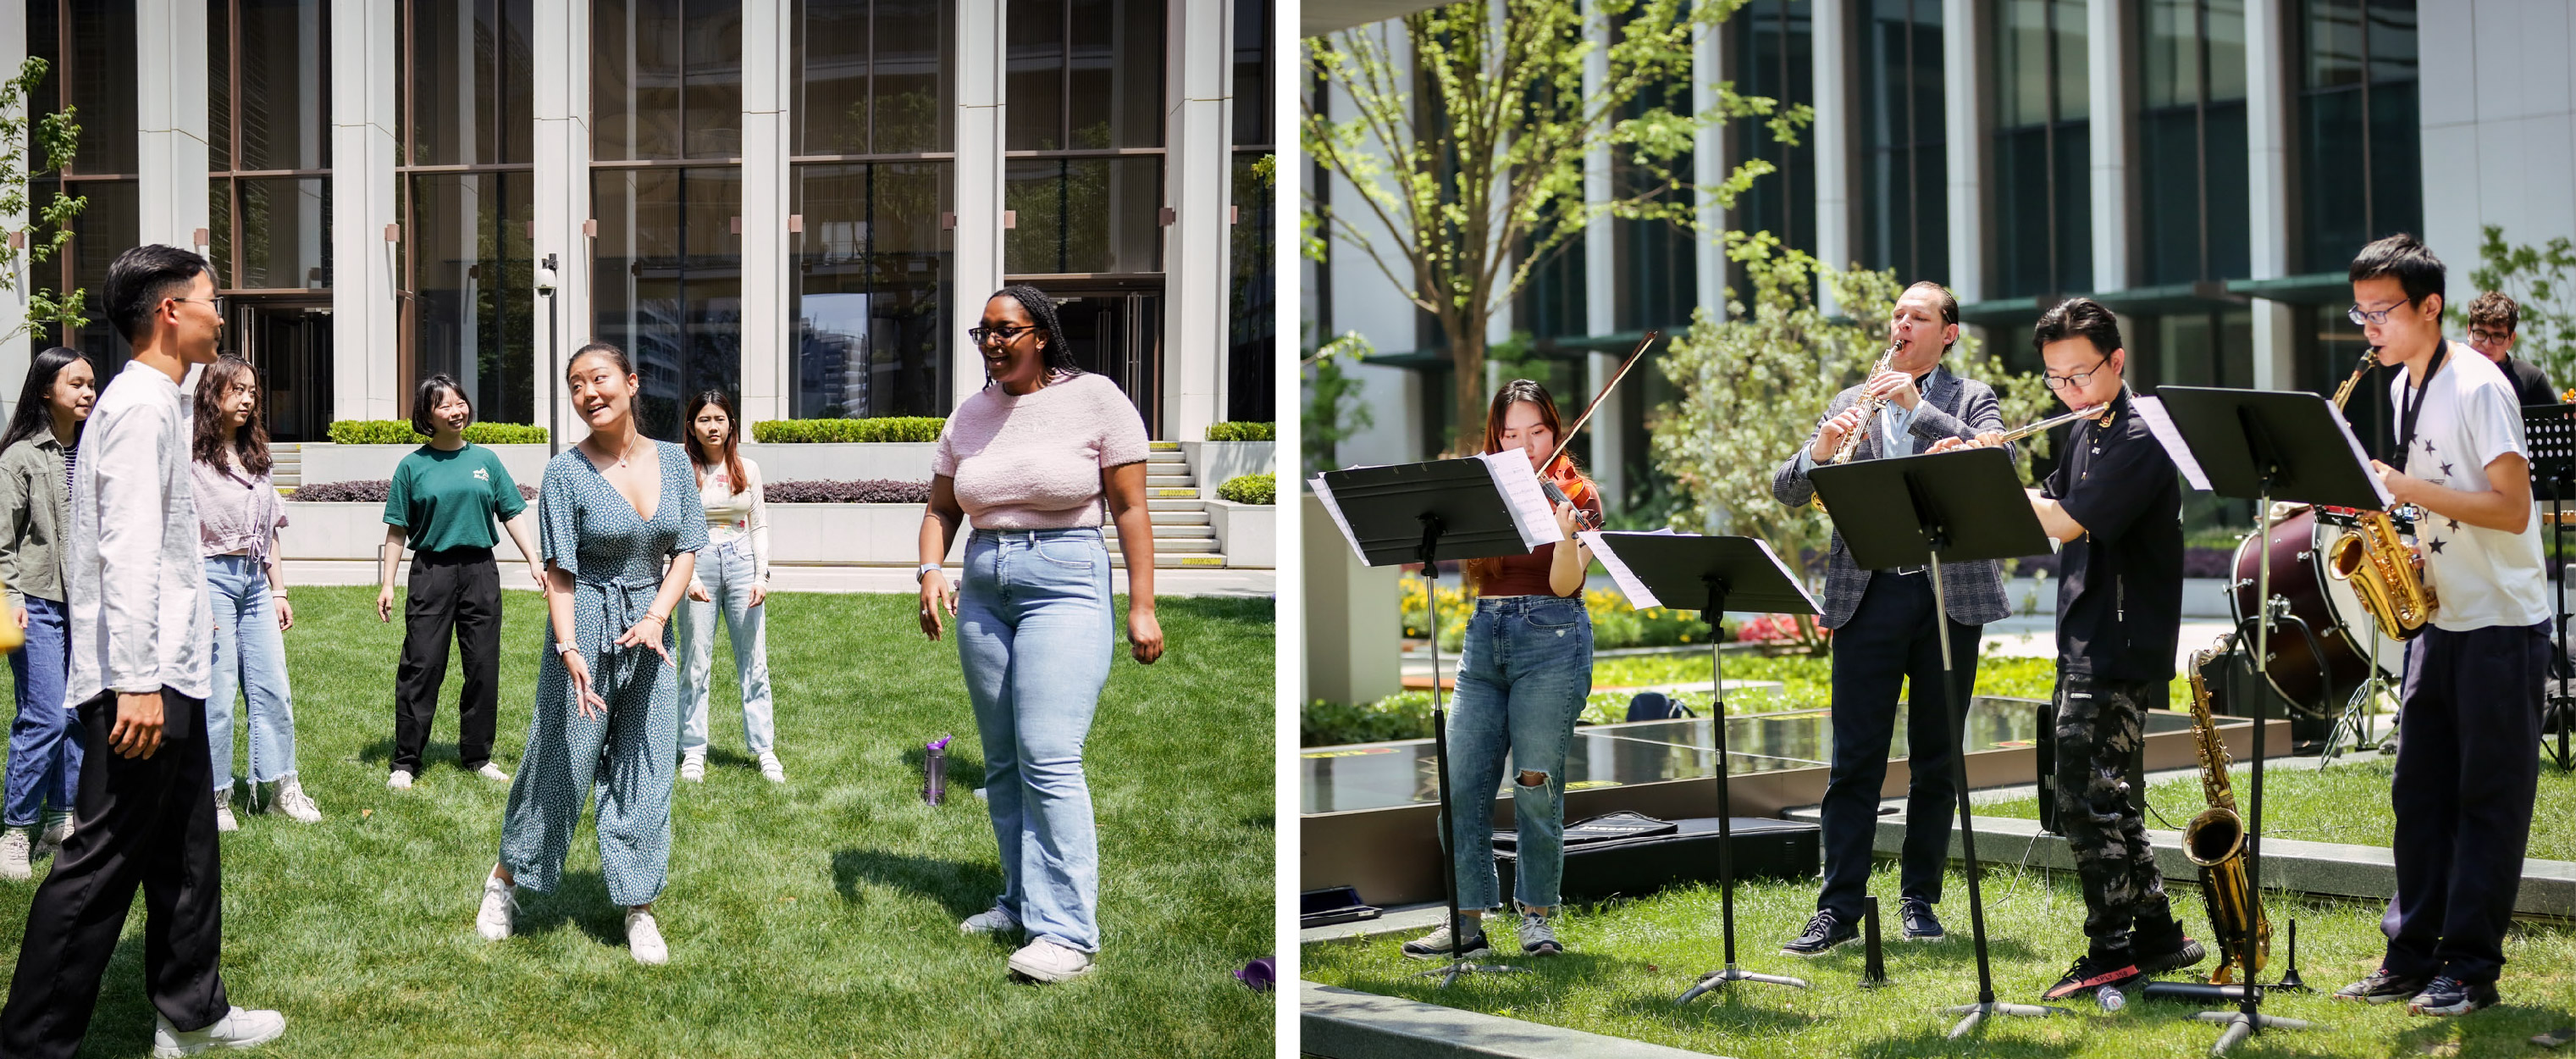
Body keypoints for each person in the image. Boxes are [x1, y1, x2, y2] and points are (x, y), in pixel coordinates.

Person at [1, 245, 285, 1056]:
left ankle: (192, 1012)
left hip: (174, 672)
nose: (220, 314)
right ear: (170, 312)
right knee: (99, 869)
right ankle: (29, 1043)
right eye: (210, 299)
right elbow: (126, 551)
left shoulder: (161, 399)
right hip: (142, 681)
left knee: (188, 851)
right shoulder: (136, 408)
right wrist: (134, 682)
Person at [918, 285, 1164, 984]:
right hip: (986, 584)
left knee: (1049, 754)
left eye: (1005, 330)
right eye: (983, 333)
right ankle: (1022, 900)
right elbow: (940, 508)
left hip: (1066, 576)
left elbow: (1131, 508)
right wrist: (931, 568)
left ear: (1042, 334)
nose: (992, 343)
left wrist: (1142, 605)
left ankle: (1067, 934)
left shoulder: (1096, 399)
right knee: (1001, 761)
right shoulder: (970, 416)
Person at [2330, 236, 2550, 1017]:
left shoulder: (2479, 385)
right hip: (2442, 620)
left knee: (2487, 801)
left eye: (2382, 311)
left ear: (2431, 307)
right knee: (2418, 794)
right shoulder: (2399, 386)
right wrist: (2413, 553)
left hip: (2501, 625)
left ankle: (2470, 970)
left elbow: (2512, 508)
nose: (2368, 329)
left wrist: (2405, 484)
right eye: (2360, 312)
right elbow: (2435, 503)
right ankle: (2409, 955)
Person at [1766, 281, 2009, 956]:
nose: (1902, 324)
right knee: (1854, 762)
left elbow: (1998, 458)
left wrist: (1922, 411)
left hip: (1946, 596)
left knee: (1936, 760)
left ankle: (1918, 900)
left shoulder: (1970, 398)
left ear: (1948, 333)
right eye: (1897, 314)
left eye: (1919, 316)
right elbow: (1787, 489)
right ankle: (1837, 908)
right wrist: (1819, 450)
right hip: (1867, 596)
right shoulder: (1850, 400)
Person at [474, 343, 704, 966]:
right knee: (560, 764)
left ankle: (639, 907)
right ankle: (505, 881)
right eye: (575, 385)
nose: (588, 393)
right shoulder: (565, 472)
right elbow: (560, 572)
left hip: (650, 635)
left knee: (647, 767)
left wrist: (658, 616)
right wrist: (569, 648)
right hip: (583, 628)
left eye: (598, 379)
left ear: (630, 382)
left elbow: (686, 548)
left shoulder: (677, 462)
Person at [2005, 297, 2204, 1002]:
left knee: (2083, 800)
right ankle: (2157, 935)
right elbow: (2051, 496)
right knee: (2108, 797)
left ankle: (2109, 949)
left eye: (2081, 375)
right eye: (2055, 380)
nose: (2069, 391)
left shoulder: (2142, 432)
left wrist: (1990, 476)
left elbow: (2062, 521)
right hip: (2090, 636)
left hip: (2118, 640)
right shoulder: (2090, 428)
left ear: (2117, 362)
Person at [1395, 379, 1600, 964]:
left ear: (1556, 431)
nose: (1527, 445)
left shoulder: (1579, 494)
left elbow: (1566, 583)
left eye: (1538, 432)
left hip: (1553, 639)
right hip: (1484, 639)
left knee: (1534, 784)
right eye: (1512, 434)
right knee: (1460, 787)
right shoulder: (1481, 487)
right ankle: (1466, 921)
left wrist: (1565, 536)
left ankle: (1536, 918)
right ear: (1495, 435)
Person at [378, 374, 547, 790]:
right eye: (444, 405)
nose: (456, 411)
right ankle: (406, 760)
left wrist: (534, 560)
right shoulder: (412, 467)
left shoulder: (486, 461)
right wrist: (387, 583)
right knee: (422, 665)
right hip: (430, 571)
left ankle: (477, 755)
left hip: (480, 572)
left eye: (460, 402)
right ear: (426, 415)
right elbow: (397, 530)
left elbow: (511, 512)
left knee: (482, 667)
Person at [191, 356, 319, 831]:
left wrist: (279, 589)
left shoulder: (256, 454)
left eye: (252, 391)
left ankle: (282, 786)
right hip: (210, 577)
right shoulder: (191, 457)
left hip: (255, 582)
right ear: (213, 393)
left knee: (273, 687)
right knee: (219, 692)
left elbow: (270, 531)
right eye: (238, 390)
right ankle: (216, 795)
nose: (248, 399)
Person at [0, 348, 95, 880]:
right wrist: (11, 599)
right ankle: (16, 830)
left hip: (84, 606)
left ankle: (63, 819)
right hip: (33, 603)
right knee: (43, 715)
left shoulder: (92, 452)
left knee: (79, 713)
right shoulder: (19, 458)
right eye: (75, 383)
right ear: (44, 391)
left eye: (91, 383)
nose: (87, 392)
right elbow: (2, 542)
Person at [675, 389, 780, 785]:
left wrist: (761, 575)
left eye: (719, 419)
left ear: (731, 424)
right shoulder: (682, 469)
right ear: (692, 426)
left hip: (741, 563)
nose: (712, 426)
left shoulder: (747, 468)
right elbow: (677, 527)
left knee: (754, 661)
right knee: (696, 662)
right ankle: (693, 750)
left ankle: (764, 749)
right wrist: (691, 579)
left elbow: (759, 525)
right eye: (704, 419)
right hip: (695, 562)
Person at [2463, 291, 2557, 408]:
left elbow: (2558, 425)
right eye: (2481, 333)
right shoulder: (2450, 373)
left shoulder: (2532, 379)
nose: (2487, 344)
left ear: (2511, 339)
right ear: (2469, 331)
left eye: (2497, 336)